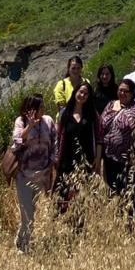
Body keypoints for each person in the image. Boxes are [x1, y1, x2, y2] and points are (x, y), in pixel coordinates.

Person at [99, 78, 135, 229]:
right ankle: (115, 222)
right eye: (120, 90)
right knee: (111, 190)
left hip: (128, 159)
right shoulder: (110, 105)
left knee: (127, 191)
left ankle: (128, 223)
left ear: (132, 93)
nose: (122, 93)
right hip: (109, 156)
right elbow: (101, 128)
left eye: (126, 91)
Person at [10, 93, 56, 253]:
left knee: (31, 211)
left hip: (42, 174)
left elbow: (54, 142)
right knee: (27, 211)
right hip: (24, 175)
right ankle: (24, 246)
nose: (44, 109)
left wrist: (51, 163)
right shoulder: (20, 121)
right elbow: (16, 143)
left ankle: (21, 238)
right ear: (33, 109)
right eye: (41, 106)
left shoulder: (48, 121)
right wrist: (29, 126)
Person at [54, 81, 102, 219]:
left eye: (86, 94)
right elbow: (58, 137)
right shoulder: (65, 113)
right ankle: (60, 227)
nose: (83, 95)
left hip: (85, 162)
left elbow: (99, 138)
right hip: (66, 161)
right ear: (75, 92)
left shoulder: (92, 114)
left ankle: (78, 228)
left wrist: (98, 159)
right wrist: (56, 158)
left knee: (81, 198)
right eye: (81, 92)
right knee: (62, 196)